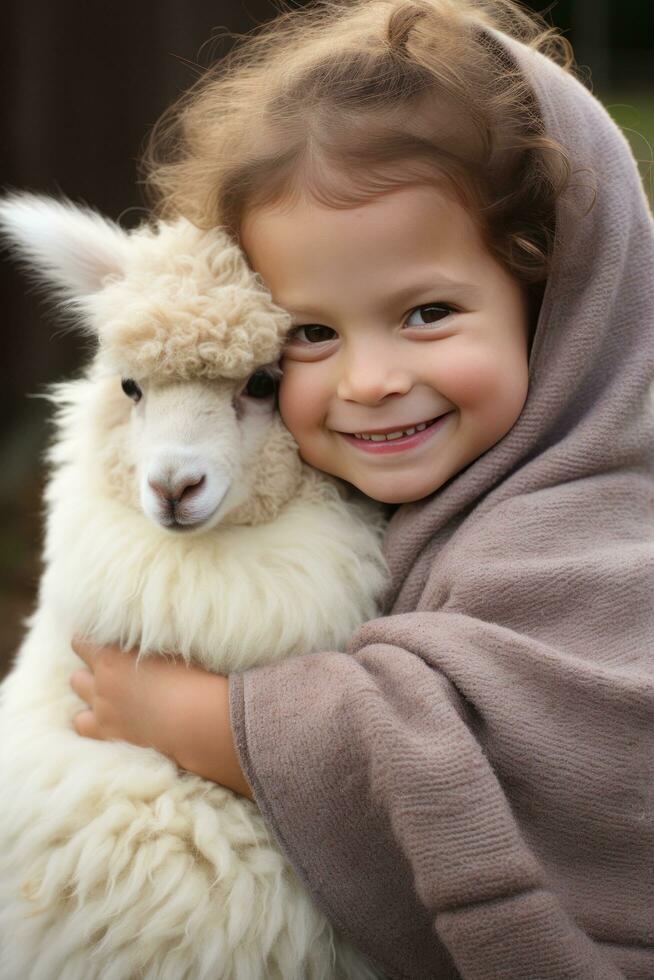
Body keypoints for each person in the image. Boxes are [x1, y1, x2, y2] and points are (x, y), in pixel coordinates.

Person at [68, 1, 654, 977]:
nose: (368, 378)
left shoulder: (590, 530)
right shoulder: (373, 499)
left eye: (426, 311)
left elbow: (476, 742)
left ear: (555, 301)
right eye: (309, 332)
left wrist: (195, 718)